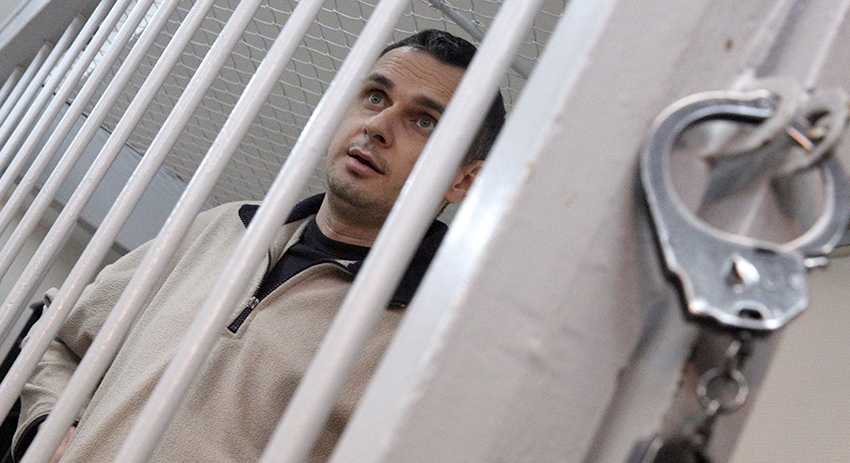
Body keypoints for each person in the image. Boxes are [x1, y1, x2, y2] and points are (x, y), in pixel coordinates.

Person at [13, 29, 506, 462]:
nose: (377, 127)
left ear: (464, 181)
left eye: (425, 121)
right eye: (375, 97)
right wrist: (49, 424)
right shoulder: (225, 227)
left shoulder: (428, 340)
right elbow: (59, 334)